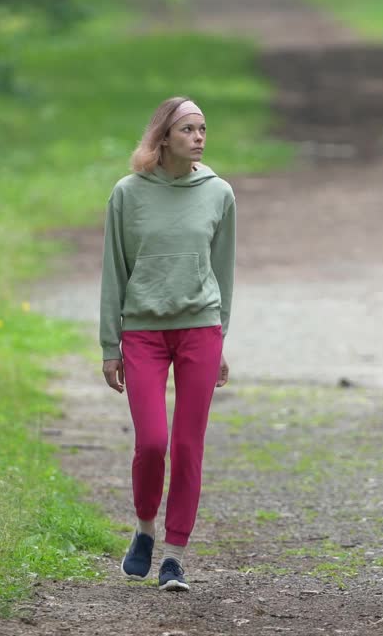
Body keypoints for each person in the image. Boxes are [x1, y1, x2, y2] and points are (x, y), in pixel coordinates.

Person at [99, 95, 235, 593]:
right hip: (143, 332)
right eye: (189, 130)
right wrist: (108, 344)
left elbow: (224, 273)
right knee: (153, 441)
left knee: (187, 444)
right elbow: (114, 270)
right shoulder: (127, 194)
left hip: (199, 330)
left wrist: (221, 338)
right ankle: (144, 530)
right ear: (163, 138)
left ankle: (174, 555)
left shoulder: (219, 193)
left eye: (203, 129)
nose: (199, 137)